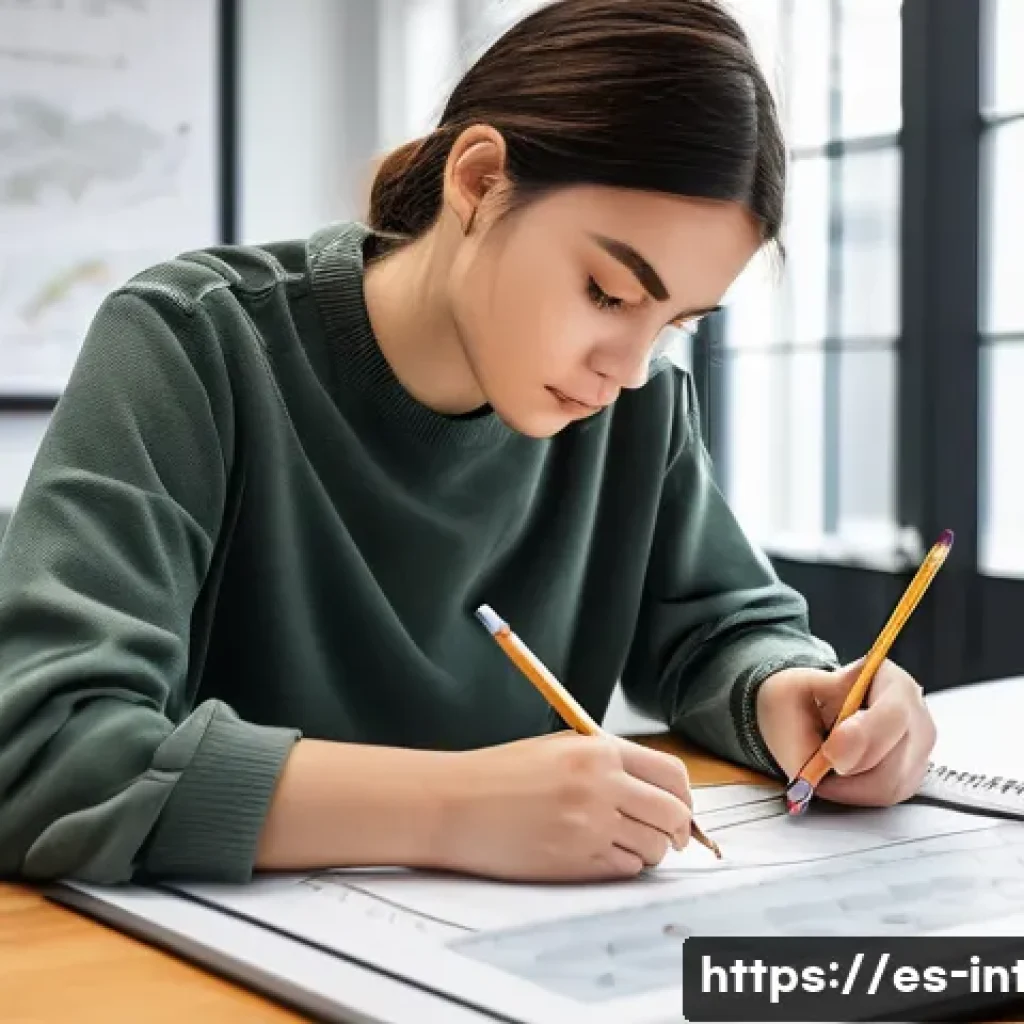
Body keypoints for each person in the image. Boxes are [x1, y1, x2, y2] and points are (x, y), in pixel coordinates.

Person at [0, 0, 935, 887]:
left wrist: (791, 695)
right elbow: (44, 747)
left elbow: (720, 631)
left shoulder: (639, 408)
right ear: (480, 183)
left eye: (674, 324)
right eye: (608, 293)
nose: (628, 368)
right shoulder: (194, 342)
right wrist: (452, 809)